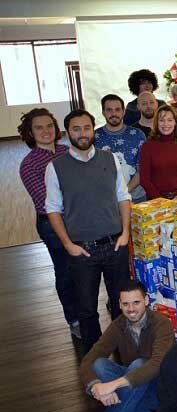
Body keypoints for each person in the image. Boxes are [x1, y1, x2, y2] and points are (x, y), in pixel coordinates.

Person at [44, 109, 131, 352]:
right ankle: (96, 357)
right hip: (82, 250)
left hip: (115, 245)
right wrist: (68, 245)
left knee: (120, 304)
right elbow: (53, 210)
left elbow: (123, 197)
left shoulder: (109, 159)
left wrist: (125, 233)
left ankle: (122, 349)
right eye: (76, 129)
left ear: (94, 130)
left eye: (86, 128)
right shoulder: (56, 167)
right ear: (67, 133)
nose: (82, 133)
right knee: (86, 308)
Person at [69, 280, 174, 412]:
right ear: (119, 304)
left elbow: (157, 365)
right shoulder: (119, 325)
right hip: (134, 386)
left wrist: (113, 385)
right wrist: (96, 387)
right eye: (125, 304)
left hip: (157, 389)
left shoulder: (162, 324)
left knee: (139, 364)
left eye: (136, 302)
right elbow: (88, 361)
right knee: (99, 365)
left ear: (146, 300)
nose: (131, 308)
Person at [17, 108, 78, 338]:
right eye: (39, 127)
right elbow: (46, 203)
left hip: (78, 220)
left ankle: (85, 312)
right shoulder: (29, 164)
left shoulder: (68, 151)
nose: (46, 131)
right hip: (52, 226)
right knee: (65, 272)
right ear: (30, 133)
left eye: (49, 125)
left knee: (82, 270)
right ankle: (73, 319)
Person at [95, 94, 147, 203]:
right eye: (109, 110)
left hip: (136, 198)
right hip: (107, 200)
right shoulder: (94, 137)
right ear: (103, 112)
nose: (114, 114)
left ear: (123, 112)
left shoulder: (137, 135)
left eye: (117, 109)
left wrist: (124, 192)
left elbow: (142, 169)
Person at [139, 105, 177, 200]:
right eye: (161, 120)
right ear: (156, 123)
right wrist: (160, 200)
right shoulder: (148, 146)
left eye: (170, 120)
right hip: (156, 201)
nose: (166, 124)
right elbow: (144, 180)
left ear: (175, 122)